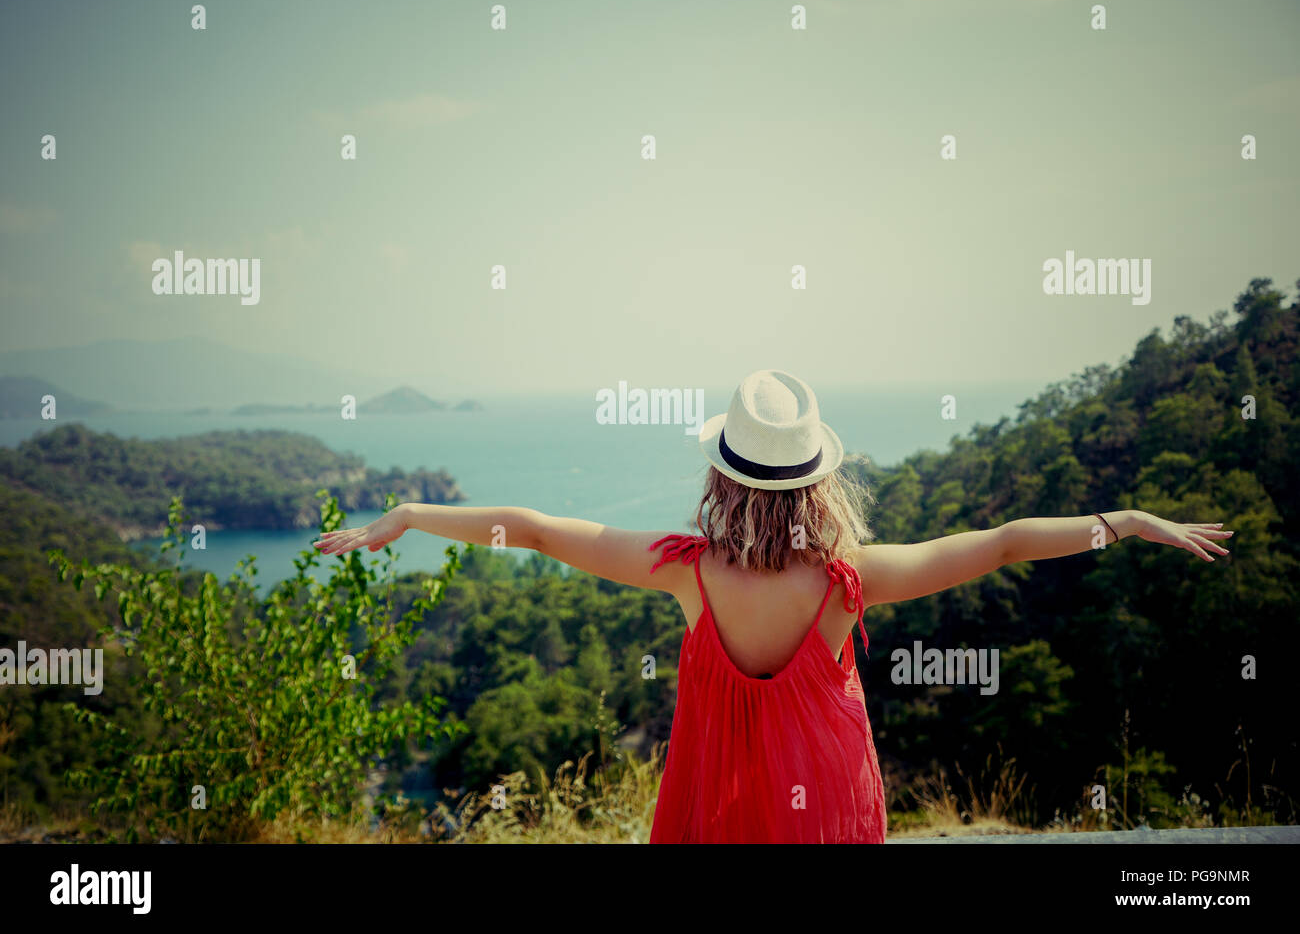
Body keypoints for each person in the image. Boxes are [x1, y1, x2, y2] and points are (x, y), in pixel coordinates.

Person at [313, 369, 1232, 843]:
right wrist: (1126, 520)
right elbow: (1000, 543)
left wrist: (408, 516)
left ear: (725, 472)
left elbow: (539, 529)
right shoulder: (848, 580)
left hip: (719, 802)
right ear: (816, 481)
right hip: (823, 805)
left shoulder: (683, 570)